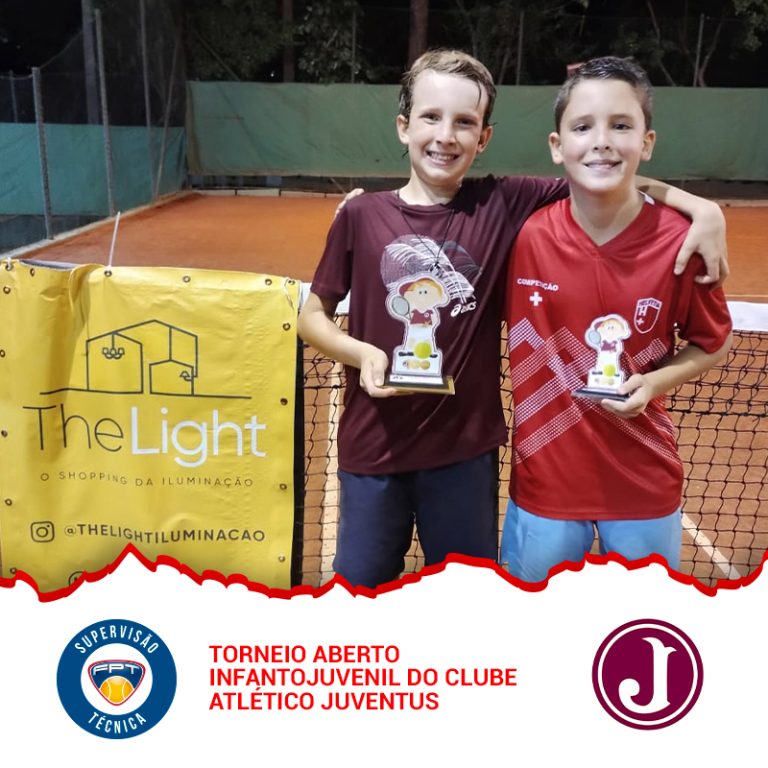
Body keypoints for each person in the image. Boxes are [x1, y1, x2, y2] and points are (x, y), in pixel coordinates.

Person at [298, 49, 728, 590]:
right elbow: (312, 316)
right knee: (361, 590)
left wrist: (703, 208)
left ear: (483, 138)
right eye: (431, 117)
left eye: (464, 122)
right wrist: (361, 354)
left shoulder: (503, 204)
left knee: (466, 594)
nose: (446, 135)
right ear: (404, 127)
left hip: (464, 454)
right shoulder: (362, 214)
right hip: (372, 448)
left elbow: (604, 173)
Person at [500, 56, 733, 582]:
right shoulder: (527, 236)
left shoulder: (682, 241)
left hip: (643, 487)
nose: (602, 141)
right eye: (583, 127)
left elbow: (713, 340)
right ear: (557, 145)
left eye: (621, 126)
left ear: (647, 143)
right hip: (545, 487)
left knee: (640, 625)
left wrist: (653, 383)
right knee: (534, 625)